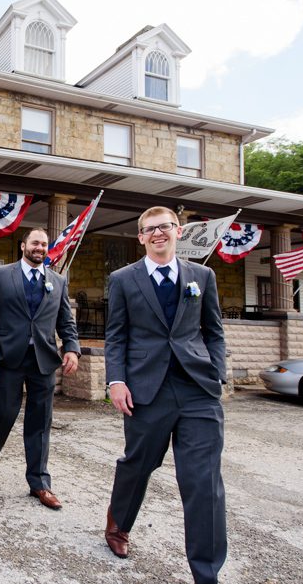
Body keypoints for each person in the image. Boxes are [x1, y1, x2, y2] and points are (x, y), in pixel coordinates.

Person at [103, 206, 227, 584]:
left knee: (203, 482)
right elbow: (117, 335)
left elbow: (214, 330)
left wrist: (217, 373)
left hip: (197, 392)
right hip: (146, 391)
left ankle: (206, 574)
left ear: (178, 231)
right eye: (150, 229)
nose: (159, 234)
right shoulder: (123, 279)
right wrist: (116, 381)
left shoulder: (201, 275)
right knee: (137, 466)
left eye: (166, 227)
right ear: (140, 237)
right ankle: (118, 524)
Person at [0, 228, 80, 509]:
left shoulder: (57, 281)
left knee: (40, 421)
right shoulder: (2, 275)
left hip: (43, 360)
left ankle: (39, 483)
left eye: (44, 244)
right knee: (3, 413)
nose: (40, 247)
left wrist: (71, 347)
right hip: (8, 358)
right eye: (35, 242)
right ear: (23, 245)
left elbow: (65, 322)